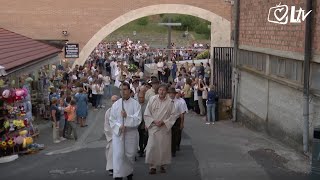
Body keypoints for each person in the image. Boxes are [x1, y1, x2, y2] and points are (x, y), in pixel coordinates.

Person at [109, 82, 142, 180]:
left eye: (125, 89)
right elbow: (112, 119)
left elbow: (138, 119)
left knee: (129, 155)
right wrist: (119, 126)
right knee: (118, 155)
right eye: (121, 90)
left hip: (130, 134)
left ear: (129, 91)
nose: (123, 92)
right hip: (119, 135)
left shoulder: (135, 104)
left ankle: (129, 173)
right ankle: (118, 175)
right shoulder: (116, 105)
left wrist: (127, 117)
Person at [144, 84, 178, 174]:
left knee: (163, 147)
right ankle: (152, 166)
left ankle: (163, 165)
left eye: (163, 90)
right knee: (152, 147)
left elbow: (174, 115)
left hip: (164, 128)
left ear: (166, 91)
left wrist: (164, 122)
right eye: (160, 90)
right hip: (154, 127)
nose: (161, 92)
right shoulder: (152, 99)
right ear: (157, 91)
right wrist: (153, 121)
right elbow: (147, 112)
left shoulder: (170, 102)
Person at [104, 95, 119, 176]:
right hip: (112, 136)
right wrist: (111, 135)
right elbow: (106, 125)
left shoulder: (122, 110)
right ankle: (111, 168)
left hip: (120, 135)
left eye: (115, 100)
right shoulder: (108, 112)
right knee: (111, 152)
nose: (114, 102)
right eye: (112, 101)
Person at [137, 92, 148, 157]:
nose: (141, 99)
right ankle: (140, 150)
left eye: (142, 97)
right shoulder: (136, 104)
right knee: (139, 138)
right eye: (140, 98)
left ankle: (143, 148)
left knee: (145, 138)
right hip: (138, 124)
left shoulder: (147, 104)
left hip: (145, 124)